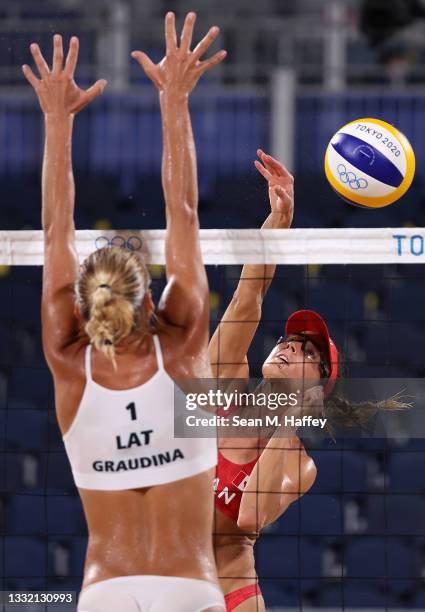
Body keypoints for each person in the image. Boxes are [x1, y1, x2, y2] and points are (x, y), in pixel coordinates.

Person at [23, 12, 227, 612]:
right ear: (149, 300)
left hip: (105, 590)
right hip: (189, 587)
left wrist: (56, 121)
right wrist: (174, 99)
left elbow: (55, 231)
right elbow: (182, 210)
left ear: (85, 306)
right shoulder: (183, 343)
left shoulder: (66, 359)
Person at [209, 150, 408, 611]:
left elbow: (250, 515)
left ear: (318, 388)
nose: (291, 345)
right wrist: (281, 219)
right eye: (291, 339)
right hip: (164, 579)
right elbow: (249, 293)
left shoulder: (301, 465)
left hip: (229, 592)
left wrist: (288, 422)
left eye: (309, 352)